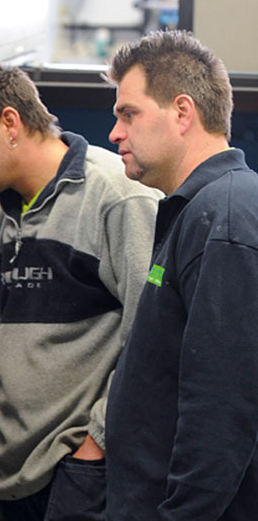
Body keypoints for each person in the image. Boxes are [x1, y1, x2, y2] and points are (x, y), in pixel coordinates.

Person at [0, 56, 160, 521]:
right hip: (9, 472)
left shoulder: (117, 197)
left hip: (80, 471)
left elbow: (154, 343)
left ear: (9, 122)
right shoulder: (2, 212)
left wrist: (96, 444)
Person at [104, 30, 258, 520]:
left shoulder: (225, 220)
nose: (114, 133)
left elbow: (221, 406)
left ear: (183, 112)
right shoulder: (201, 210)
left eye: (129, 114)